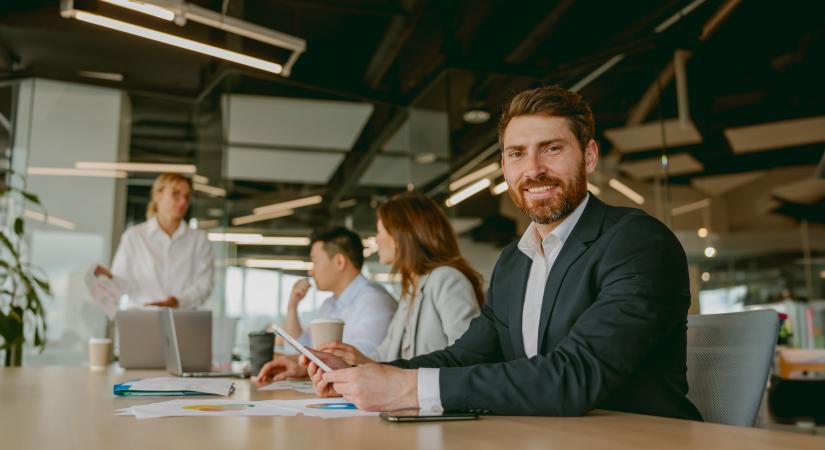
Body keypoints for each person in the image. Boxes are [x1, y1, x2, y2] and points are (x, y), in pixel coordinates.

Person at [302, 85, 703, 421]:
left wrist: (406, 388)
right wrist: (368, 372)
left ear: (590, 156)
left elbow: (576, 377)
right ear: (504, 166)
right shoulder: (515, 260)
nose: (533, 169)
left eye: (551, 149)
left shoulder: (637, 242)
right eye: (516, 154)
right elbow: (466, 357)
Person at [317, 191, 483, 365]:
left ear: (399, 236)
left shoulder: (447, 279)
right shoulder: (411, 290)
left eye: (380, 231)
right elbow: (385, 355)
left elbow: (468, 357)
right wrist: (353, 361)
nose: (376, 239)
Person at [255, 227, 396, 383]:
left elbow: (358, 362)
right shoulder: (329, 305)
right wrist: (292, 306)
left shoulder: (375, 302)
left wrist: (301, 363)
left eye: (315, 261)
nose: (311, 271)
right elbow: (303, 349)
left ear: (339, 262)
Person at [95, 173, 213, 309]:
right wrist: (108, 278)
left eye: (186, 196)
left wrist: (179, 301)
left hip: (182, 318)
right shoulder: (134, 236)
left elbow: (205, 284)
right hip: (141, 317)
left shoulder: (199, 240)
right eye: (176, 194)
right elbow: (122, 283)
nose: (183, 202)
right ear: (158, 195)